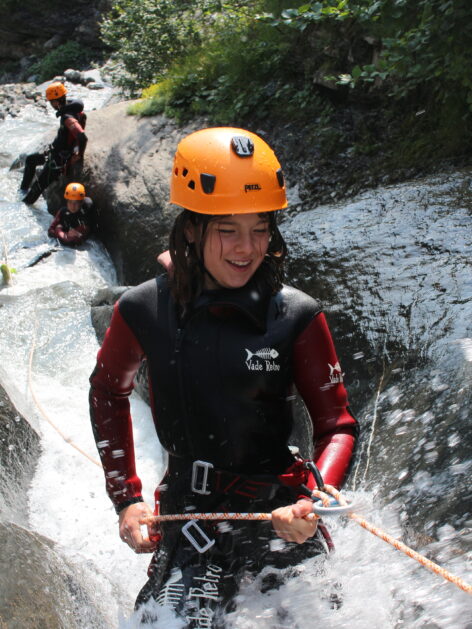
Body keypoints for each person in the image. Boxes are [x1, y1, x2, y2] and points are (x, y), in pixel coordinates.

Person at [89, 127, 358, 627]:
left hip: (281, 506)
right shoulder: (145, 308)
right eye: (227, 230)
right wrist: (126, 499)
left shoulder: (296, 314)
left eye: (260, 229)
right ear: (191, 228)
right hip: (191, 513)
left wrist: (313, 501)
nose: (247, 248)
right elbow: (108, 390)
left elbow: (337, 425)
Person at [20, 82, 87, 205]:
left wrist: (79, 155)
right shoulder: (71, 106)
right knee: (31, 160)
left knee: (37, 188)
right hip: (55, 151)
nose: (51, 105)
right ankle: (22, 190)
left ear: (56, 102)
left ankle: (24, 205)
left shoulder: (67, 117)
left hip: (59, 159)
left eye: (51, 102)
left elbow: (82, 136)